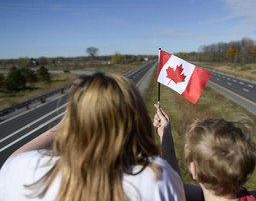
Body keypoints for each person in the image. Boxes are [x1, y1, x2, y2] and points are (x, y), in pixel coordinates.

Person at [0, 72, 186, 201]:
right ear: (135, 119)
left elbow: (13, 159)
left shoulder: (20, 169)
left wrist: (75, 116)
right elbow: (179, 193)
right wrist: (166, 137)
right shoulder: (155, 179)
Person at [153, 105, 256, 201]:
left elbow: (176, 188)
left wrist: (165, 136)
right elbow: (177, 187)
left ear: (194, 170)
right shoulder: (246, 197)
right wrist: (165, 133)